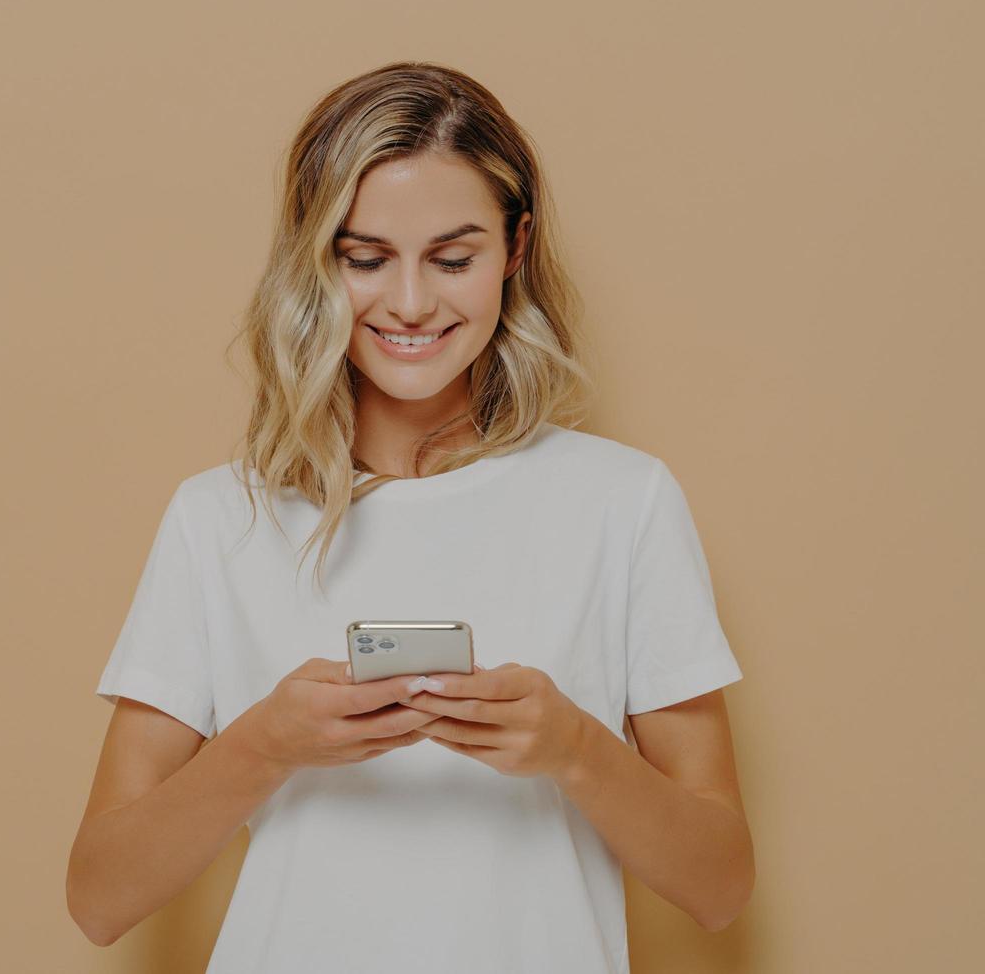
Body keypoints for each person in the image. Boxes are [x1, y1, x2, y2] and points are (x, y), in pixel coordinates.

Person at [66, 60, 753, 973]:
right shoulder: (219, 518)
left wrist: (576, 748)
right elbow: (100, 899)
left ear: (515, 250)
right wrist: (265, 745)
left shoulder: (623, 503)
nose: (412, 304)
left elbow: (720, 886)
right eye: (366, 259)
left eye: (453, 258)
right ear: (317, 261)